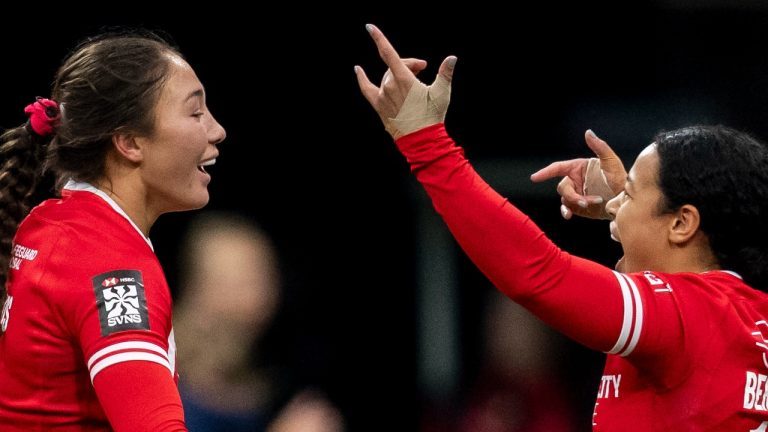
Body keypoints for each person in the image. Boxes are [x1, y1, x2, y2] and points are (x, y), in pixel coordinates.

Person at [356, 24, 768, 431]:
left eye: (628, 192)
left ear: (682, 222)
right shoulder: (748, 315)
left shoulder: (684, 312)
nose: (613, 211)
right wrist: (628, 209)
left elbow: (538, 274)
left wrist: (428, 147)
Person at [0, 30, 226, 431]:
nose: (216, 131)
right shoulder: (111, 268)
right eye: (195, 113)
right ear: (129, 141)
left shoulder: (48, 223)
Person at [174, 210, 345, 432]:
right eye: (238, 284)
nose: (258, 300)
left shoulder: (277, 371)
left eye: (265, 280)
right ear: (194, 289)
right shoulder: (160, 375)